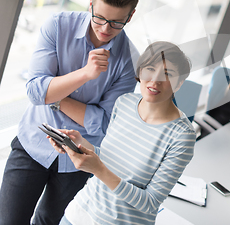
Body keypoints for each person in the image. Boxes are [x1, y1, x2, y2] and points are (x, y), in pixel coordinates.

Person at [0, 0, 140, 225]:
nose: (105, 29)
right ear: (90, 4)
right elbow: (34, 91)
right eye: (99, 18)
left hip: (80, 159)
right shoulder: (57, 25)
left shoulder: (129, 60)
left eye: (117, 23)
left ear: (130, 16)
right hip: (34, 142)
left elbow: (105, 123)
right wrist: (85, 74)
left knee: (49, 222)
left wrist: (54, 95)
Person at [49, 41, 196, 225]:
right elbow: (110, 160)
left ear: (179, 83)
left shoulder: (181, 136)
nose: (155, 79)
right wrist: (80, 143)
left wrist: (98, 170)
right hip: (79, 213)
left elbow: (150, 202)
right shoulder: (124, 102)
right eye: (150, 68)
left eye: (167, 74)